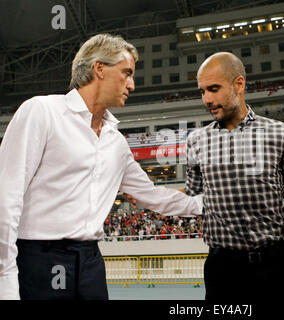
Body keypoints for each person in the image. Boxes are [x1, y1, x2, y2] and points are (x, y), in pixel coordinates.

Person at [0, 34, 202, 300]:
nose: (132, 84)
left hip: (91, 261)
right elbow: (7, 195)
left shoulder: (116, 142)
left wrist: (208, 204)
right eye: (126, 73)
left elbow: (153, 196)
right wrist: (5, 277)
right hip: (39, 259)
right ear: (99, 69)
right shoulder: (41, 111)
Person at [184, 52, 284, 301]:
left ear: (239, 84)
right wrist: (145, 192)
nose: (207, 99)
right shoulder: (196, 141)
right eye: (202, 92)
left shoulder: (281, 135)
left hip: (273, 266)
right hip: (222, 269)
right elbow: (192, 196)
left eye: (214, 89)